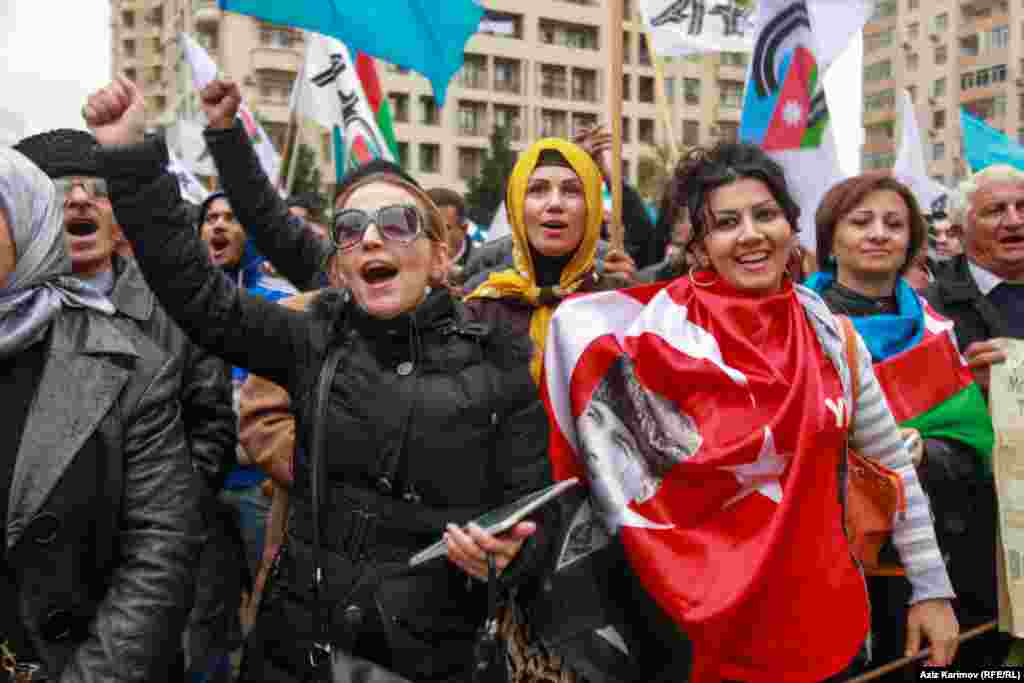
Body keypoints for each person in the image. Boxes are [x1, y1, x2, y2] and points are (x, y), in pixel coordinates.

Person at [83, 75, 555, 683]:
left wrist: (509, 557)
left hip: (435, 661)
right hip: (296, 654)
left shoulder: (500, 363)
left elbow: (536, 525)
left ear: (442, 257)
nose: (373, 238)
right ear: (338, 266)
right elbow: (196, 292)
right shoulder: (311, 334)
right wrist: (128, 156)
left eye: (397, 223)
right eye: (352, 229)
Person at [543, 143, 959, 682]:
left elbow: (893, 468)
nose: (750, 235)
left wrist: (931, 590)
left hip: (817, 624)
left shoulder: (834, 337)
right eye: (726, 223)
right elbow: (601, 487)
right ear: (698, 244)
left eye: (765, 215)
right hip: (683, 635)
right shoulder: (644, 342)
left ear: (791, 226)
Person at [14, 127, 239, 683]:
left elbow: (211, 424)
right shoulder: (14, 329)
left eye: (97, 188)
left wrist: (163, 505)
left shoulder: (177, 308)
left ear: (121, 222)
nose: (80, 200)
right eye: (59, 188)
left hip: (145, 586)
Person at [804, 172, 996, 670]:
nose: (878, 234)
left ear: (912, 240)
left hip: (935, 555)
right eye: (860, 221)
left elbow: (974, 442)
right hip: (826, 562)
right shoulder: (799, 326)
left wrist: (928, 452)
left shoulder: (937, 329)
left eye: (894, 223)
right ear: (831, 240)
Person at [926, 165, 1024, 394]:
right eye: (995, 210)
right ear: (960, 232)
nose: (1014, 221)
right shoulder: (928, 310)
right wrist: (961, 381)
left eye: (1022, 207)